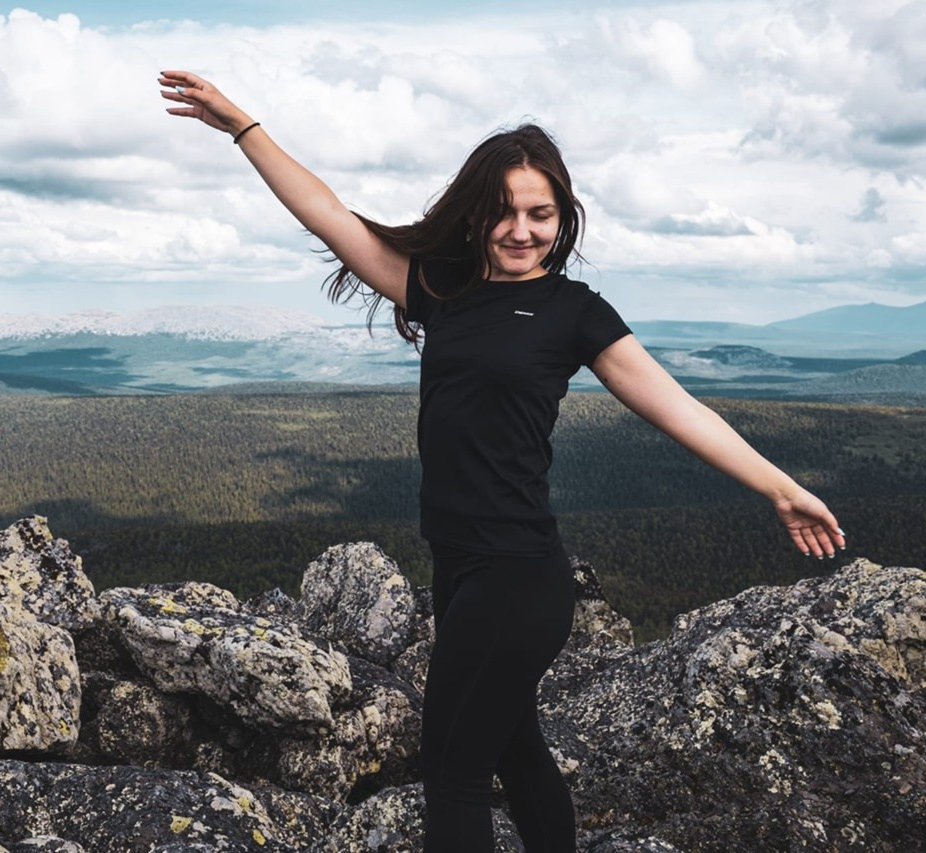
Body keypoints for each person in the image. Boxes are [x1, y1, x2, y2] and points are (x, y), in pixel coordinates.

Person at [159, 70, 846, 852]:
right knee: (516, 751)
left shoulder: (574, 313)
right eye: (505, 212)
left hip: (518, 575)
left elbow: (677, 406)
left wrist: (780, 487)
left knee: (451, 774)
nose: (522, 230)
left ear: (564, 218)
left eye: (540, 214)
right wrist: (245, 127)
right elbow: (327, 216)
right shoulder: (441, 289)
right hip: (460, 570)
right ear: (478, 214)